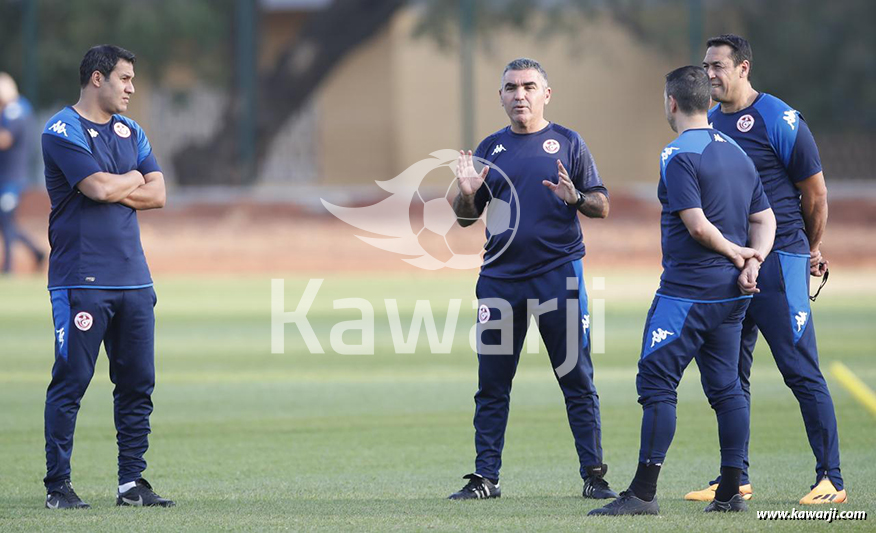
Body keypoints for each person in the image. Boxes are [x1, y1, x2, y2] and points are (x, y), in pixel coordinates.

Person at [589, 66, 775, 516]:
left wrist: (736, 254)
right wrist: (754, 259)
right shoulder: (736, 150)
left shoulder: (676, 154)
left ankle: (643, 494)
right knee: (727, 388)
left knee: (656, 385)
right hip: (733, 297)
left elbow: (695, 225)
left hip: (687, 294)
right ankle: (731, 490)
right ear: (708, 102)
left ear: (670, 102)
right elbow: (766, 219)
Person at [686, 34, 845, 505]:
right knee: (731, 373)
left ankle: (831, 479)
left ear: (743, 69)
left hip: (780, 261)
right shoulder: (709, 123)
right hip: (732, 265)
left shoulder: (779, 118)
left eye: (718, 66)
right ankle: (735, 478)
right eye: (706, 65)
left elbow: (815, 195)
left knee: (799, 368)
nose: (710, 74)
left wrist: (810, 249)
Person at [449, 58, 616, 501]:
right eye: (510, 87)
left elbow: (601, 204)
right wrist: (466, 196)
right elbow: (466, 219)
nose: (519, 94)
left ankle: (594, 476)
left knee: (575, 376)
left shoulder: (568, 142)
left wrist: (575, 197)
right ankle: (486, 478)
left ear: (546, 94)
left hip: (557, 277)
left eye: (528, 86)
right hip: (501, 282)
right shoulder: (491, 148)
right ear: (500, 96)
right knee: (492, 383)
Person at [42, 45, 172, 509]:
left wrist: (125, 181)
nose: (131, 88)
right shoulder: (61, 129)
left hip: (135, 279)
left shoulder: (130, 130)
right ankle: (58, 487)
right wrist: (134, 177)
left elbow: (159, 194)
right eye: (124, 79)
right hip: (81, 277)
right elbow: (95, 188)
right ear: (97, 79)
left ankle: (131, 485)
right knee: (72, 380)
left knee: (138, 383)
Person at [0, 72, 44, 273]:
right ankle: (36, 252)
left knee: (6, 222)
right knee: (6, 222)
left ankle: (8, 268)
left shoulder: (15, 111)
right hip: (8, 176)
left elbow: (6, 139)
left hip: (12, 178)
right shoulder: (15, 109)